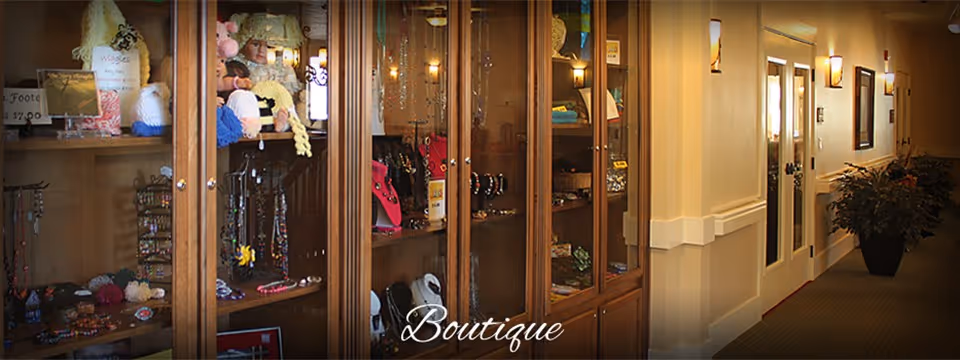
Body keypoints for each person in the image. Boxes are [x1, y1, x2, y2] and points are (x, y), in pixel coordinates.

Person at [229, 12, 303, 97]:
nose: (261, 50)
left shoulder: (282, 70)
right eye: (255, 44)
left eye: (269, 46)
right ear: (244, 44)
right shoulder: (238, 67)